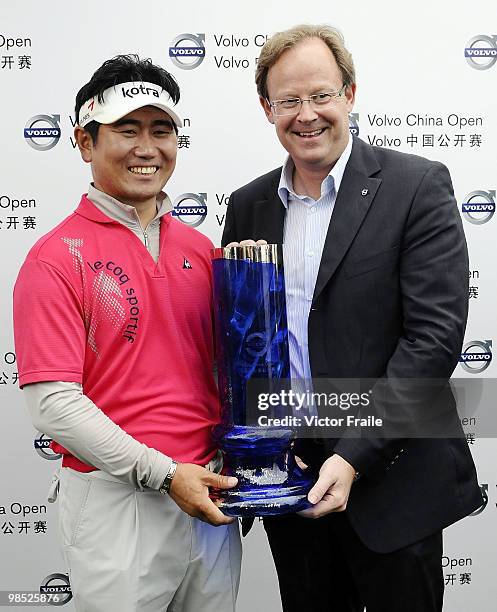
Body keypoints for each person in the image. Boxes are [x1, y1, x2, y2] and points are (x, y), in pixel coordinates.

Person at [222, 24, 482, 612]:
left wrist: (352, 456)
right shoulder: (248, 206)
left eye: (321, 95)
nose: (306, 114)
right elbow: (242, 341)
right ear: (267, 109)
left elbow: (433, 341)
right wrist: (259, 450)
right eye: (288, 100)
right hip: (289, 482)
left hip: (393, 481)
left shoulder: (416, 186)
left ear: (350, 94)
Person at [14, 54, 241, 612]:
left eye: (162, 131)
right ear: (86, 143)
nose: (148, 148)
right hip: (119, 501)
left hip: (209, 495)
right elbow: (54, 407)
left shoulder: (201, 250)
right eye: (127, 130)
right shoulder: (53, 258)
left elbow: (226, 373)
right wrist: (164, 475)